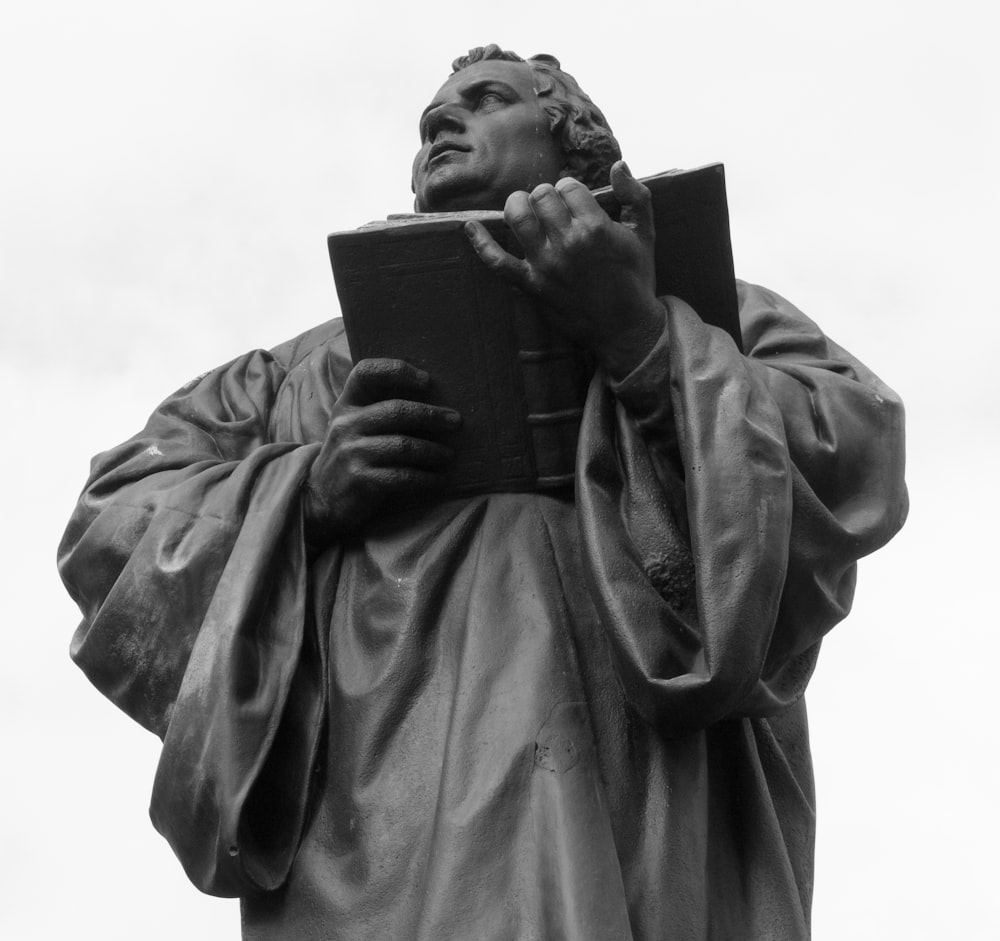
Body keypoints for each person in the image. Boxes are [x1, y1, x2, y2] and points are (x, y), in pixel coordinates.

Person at [59, 45, 907, 940]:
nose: (439, 124)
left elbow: (856, 449)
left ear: (577, 147)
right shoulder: (304, 372)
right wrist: (304, 492)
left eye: (486, 99)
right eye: (431, 118)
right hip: (385, 814)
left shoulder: (708, 310)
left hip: (639, 791)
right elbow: (110, 520)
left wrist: (647, 342)